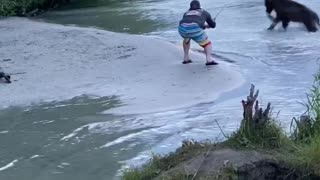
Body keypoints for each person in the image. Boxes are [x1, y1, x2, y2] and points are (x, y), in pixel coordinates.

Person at [178, 0, 218, 65]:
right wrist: (212, 22)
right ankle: (209, 60)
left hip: (182, 28)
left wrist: (205, 26)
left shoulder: (186, 13)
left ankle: (186, 58)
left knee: (186, 39)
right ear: (199, 7)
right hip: (195, 28)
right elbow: (213, 25)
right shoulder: (204, 12)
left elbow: (190, 23)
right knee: (207, 44)